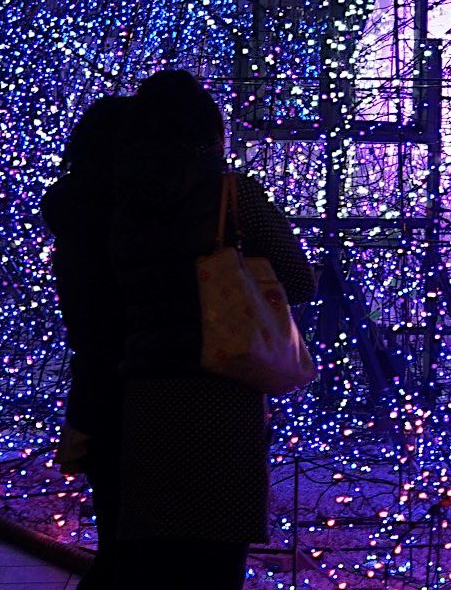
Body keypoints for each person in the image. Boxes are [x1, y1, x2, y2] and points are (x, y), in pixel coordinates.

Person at [107, 70, 315, 590]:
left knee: (154, 561)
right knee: (215, 557)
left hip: (146, 396)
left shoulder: (121, 203)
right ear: (208, 133)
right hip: (221, 395)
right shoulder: (231, 197)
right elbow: (298, 279)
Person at [43, 95, 135, 590]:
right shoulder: (128, 218)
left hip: (95, 376)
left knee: (115, 525)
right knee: (133, 536)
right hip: (132, 375)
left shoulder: (71, 210)